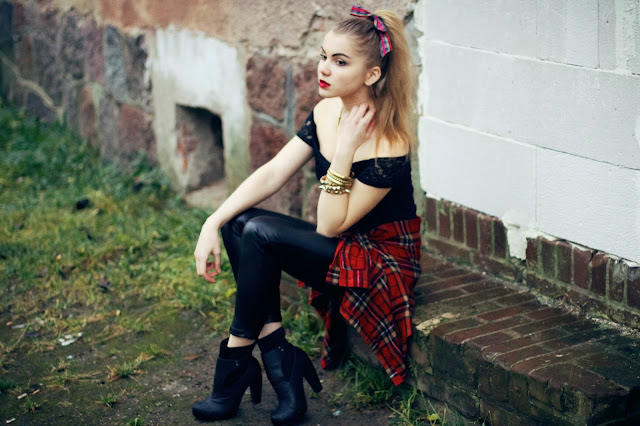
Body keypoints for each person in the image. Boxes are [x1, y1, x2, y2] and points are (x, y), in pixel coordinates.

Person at [192, 6, 422, 424]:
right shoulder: (325, 111)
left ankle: (237, 362)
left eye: (341, 62)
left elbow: (329, 225)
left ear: (372, 74)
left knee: (258, 232)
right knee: (238, 223)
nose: (324, 69)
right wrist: (213, 221)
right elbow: (274, 172)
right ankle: (281, 360)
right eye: (323, 56)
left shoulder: (390, 143)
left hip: (379, 261)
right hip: (341, 246)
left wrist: (346, 149)